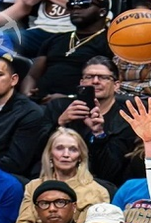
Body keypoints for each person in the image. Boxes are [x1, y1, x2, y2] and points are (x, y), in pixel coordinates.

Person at [44, 56, 136, 186]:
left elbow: (112, 170)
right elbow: (37, 152)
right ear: (81, 82)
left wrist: (99, 134)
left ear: (116, 85)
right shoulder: (58, 107)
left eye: (103, 77)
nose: (95, 81)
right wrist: (60, 123)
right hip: (57, 179)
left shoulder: (126, 117)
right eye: (89, 77)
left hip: (103, 184)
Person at [12, 127, 110, 223]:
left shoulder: (97, 191)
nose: (66, 154)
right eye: (59, 148)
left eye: (73, 149)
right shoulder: (33, 186)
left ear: (80, 157)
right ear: (50, 154)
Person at [21, 0, 113, 101]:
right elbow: (32, 76)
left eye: (84, 4)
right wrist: (26, 96)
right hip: (39, 102)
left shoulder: (110, 42)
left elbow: (109, 83)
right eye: (72, 4)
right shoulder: (55, 39)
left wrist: (69, 98)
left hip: (80, 104)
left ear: (102, 12)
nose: (76, 7)